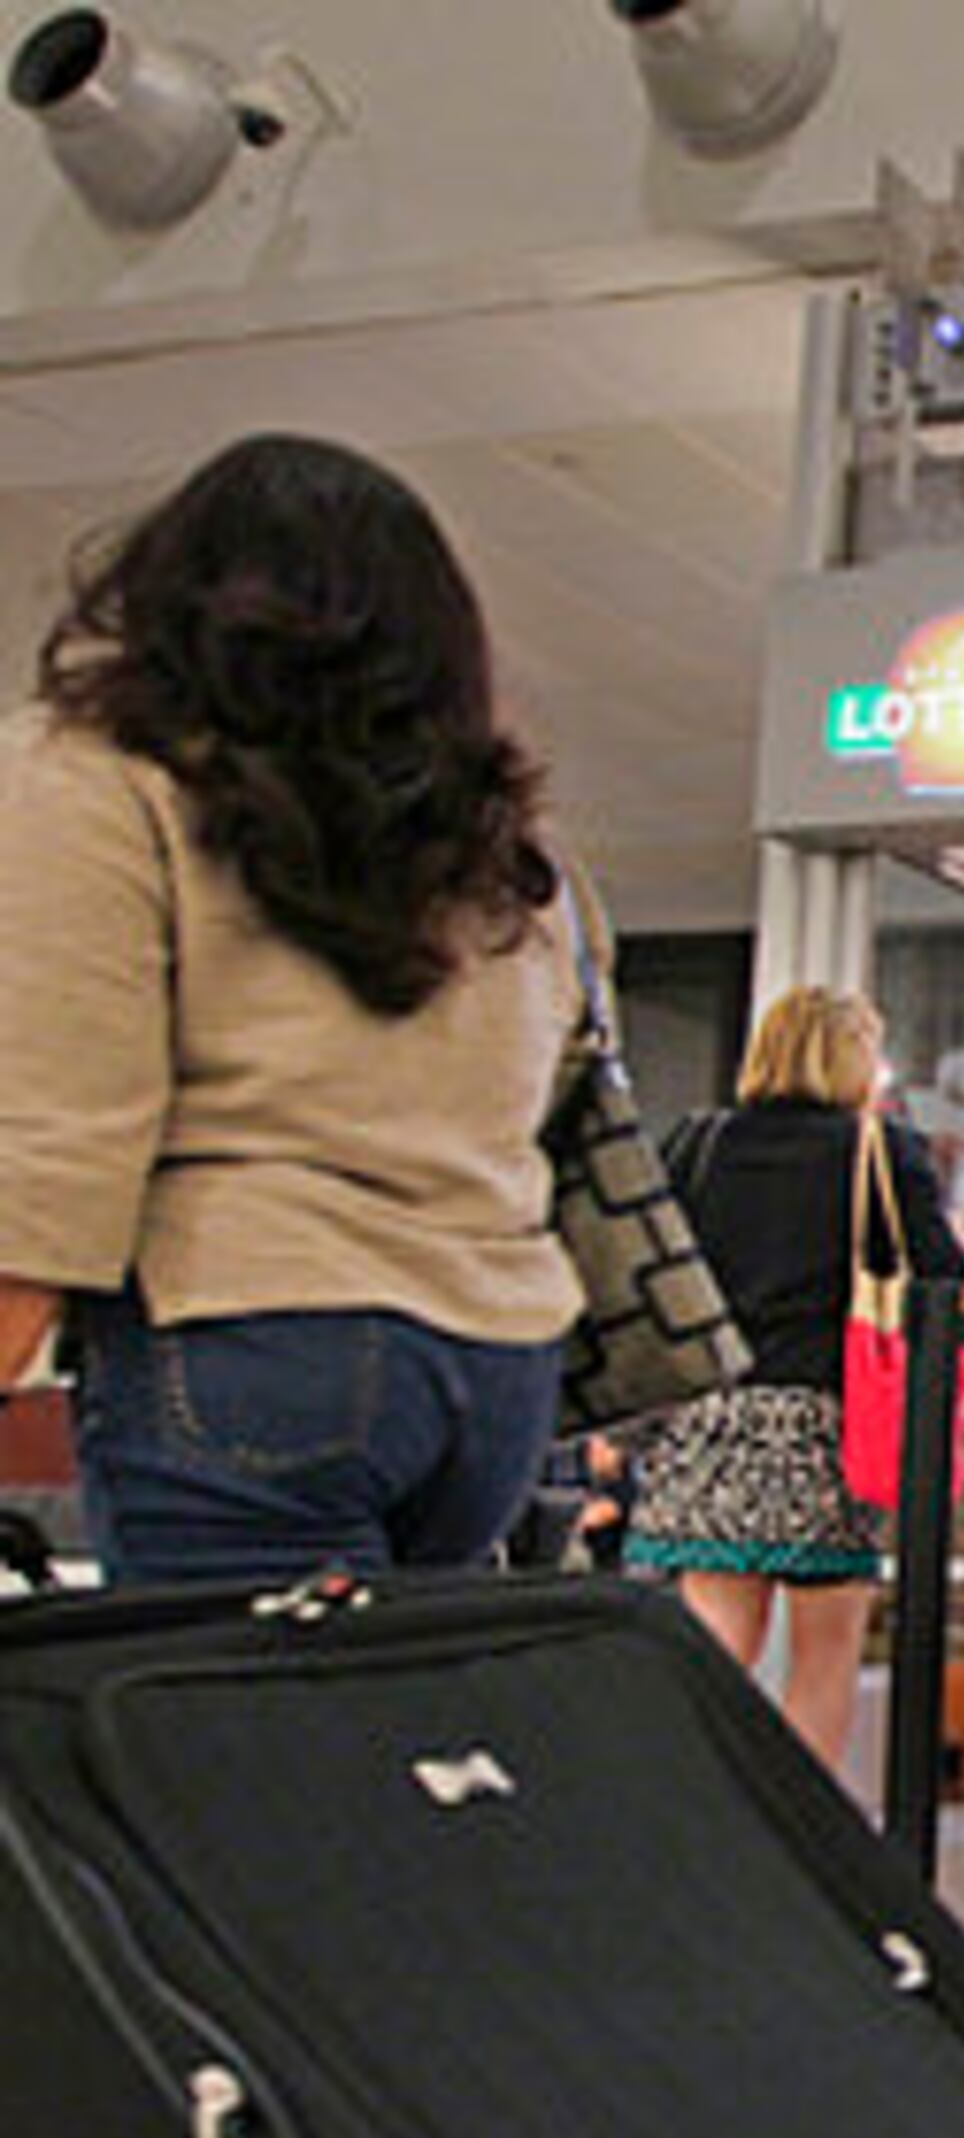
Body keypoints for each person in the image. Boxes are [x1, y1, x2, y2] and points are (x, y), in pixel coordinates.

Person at [0, 435, 579, 1584]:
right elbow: (538, 1086)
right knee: (394, 1754)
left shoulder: (97, 774)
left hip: (256, 1340)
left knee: (228, 1753)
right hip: (498, 1369)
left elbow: (53, 1137)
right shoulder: (503, 844)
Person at [621, 986, 964, 1779]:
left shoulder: (696, 1143)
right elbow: (939, 1282)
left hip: (711, 1413)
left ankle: (696, 1800)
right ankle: (807, 1822)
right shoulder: (879, 1149)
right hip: (827, 1421)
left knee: (715, 1640)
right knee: (827, 1647)